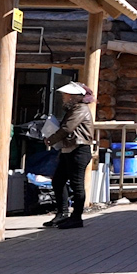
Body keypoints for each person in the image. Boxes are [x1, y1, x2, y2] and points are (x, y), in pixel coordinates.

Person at [43, 82, 96, 230]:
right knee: (58, 181)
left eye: (66, 95)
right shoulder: (75, 109)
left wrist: (50, 140)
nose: (64, 98)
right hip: (70, 150)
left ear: (75, 97)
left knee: (76, 184)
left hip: (78, 150)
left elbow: (67, 128)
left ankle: (76, 218)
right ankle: (63, 214)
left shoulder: (80, 109)